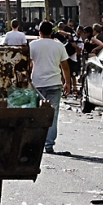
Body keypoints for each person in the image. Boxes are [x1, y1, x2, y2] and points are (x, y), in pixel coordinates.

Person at [29, 21, 71, 155]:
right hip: (54, 83)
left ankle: (36, 143)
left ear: (39, 31)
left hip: (37, 84)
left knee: (36, 115)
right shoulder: (59, 46)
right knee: (52, 115)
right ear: (52, 32)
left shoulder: (33, 45)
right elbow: (65, 66)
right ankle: (48, 144)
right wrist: (67, 83)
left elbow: (27, 64)